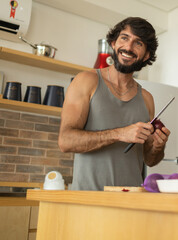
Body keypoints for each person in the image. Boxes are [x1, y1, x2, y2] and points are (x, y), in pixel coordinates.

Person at [58, 17, 170, 191]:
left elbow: (150, 160)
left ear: (146, 55)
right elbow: (66, 141)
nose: (128, 47)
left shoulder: (147, 98)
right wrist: (120, 134)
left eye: (138, 43)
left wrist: (157, 147)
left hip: (132, 202)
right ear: (113, 43)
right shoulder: (86, 81)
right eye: (124, 38)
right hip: (88, 201)